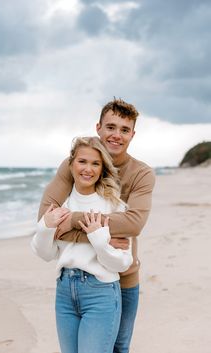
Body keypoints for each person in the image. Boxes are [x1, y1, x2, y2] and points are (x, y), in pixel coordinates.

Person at [38, 98, 156, 353]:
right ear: (98, 128)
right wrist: (98, 234)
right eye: (110, 127)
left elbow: (133, 223)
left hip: (123, 277)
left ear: (132, 135)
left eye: (124, 130)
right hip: (75, 281)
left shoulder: (141, 173)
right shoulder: (76, 164)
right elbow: (45, 217)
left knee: (118, 348)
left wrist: (71, 220)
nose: (116, 135)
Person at [31, 136, 133, 353]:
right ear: (71, 165)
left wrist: (99, 241)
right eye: (82, 162)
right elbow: (45, 253)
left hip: (101, 292)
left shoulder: (113, 204)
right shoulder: (61, 204)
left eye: (95, 163)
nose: (88, 169)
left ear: (102, 167)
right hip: (65, 291)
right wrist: (45, 228)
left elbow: (123, 263)